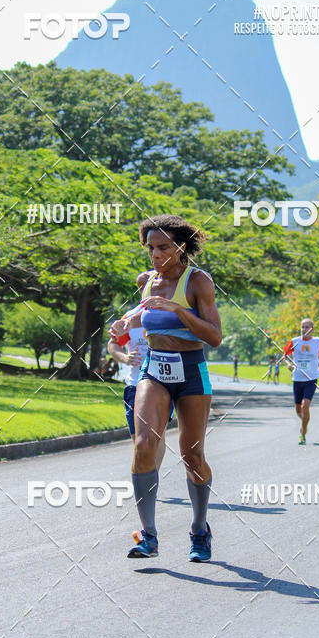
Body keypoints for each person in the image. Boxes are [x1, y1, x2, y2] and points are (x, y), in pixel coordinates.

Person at [109, 215, 222, 562]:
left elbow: (214, 336)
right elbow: (147, 315)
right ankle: (149, 535)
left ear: (181, 247)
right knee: (144, 444)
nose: (155, 255)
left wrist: (178, 309)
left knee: (192, 455)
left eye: (163, 248)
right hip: (154, 369)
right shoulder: (150, 282)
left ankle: (200, 528)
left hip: (190, 371)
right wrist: (126, 322)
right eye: (151, 248)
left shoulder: (198, 281)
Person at [107, 309, 171, 469]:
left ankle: (150, 482)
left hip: (163, 385)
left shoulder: (167, 313)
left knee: (158, 436)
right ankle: (145, 479)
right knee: (139, 440)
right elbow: (113, 343)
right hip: (135, 385)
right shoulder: (130, 318)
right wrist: (124, 358)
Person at [283, 318, 319, 445]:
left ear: (312, 329)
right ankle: (305, 422)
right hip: (297, 378)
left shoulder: (317, 341)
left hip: (311, 378)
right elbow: (285, 355)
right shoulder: (294, 341)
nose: (304, 329)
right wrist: (288, 364)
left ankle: (303, 433)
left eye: (307, 327)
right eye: (302, 327)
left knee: (305, 405)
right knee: (298, 410)